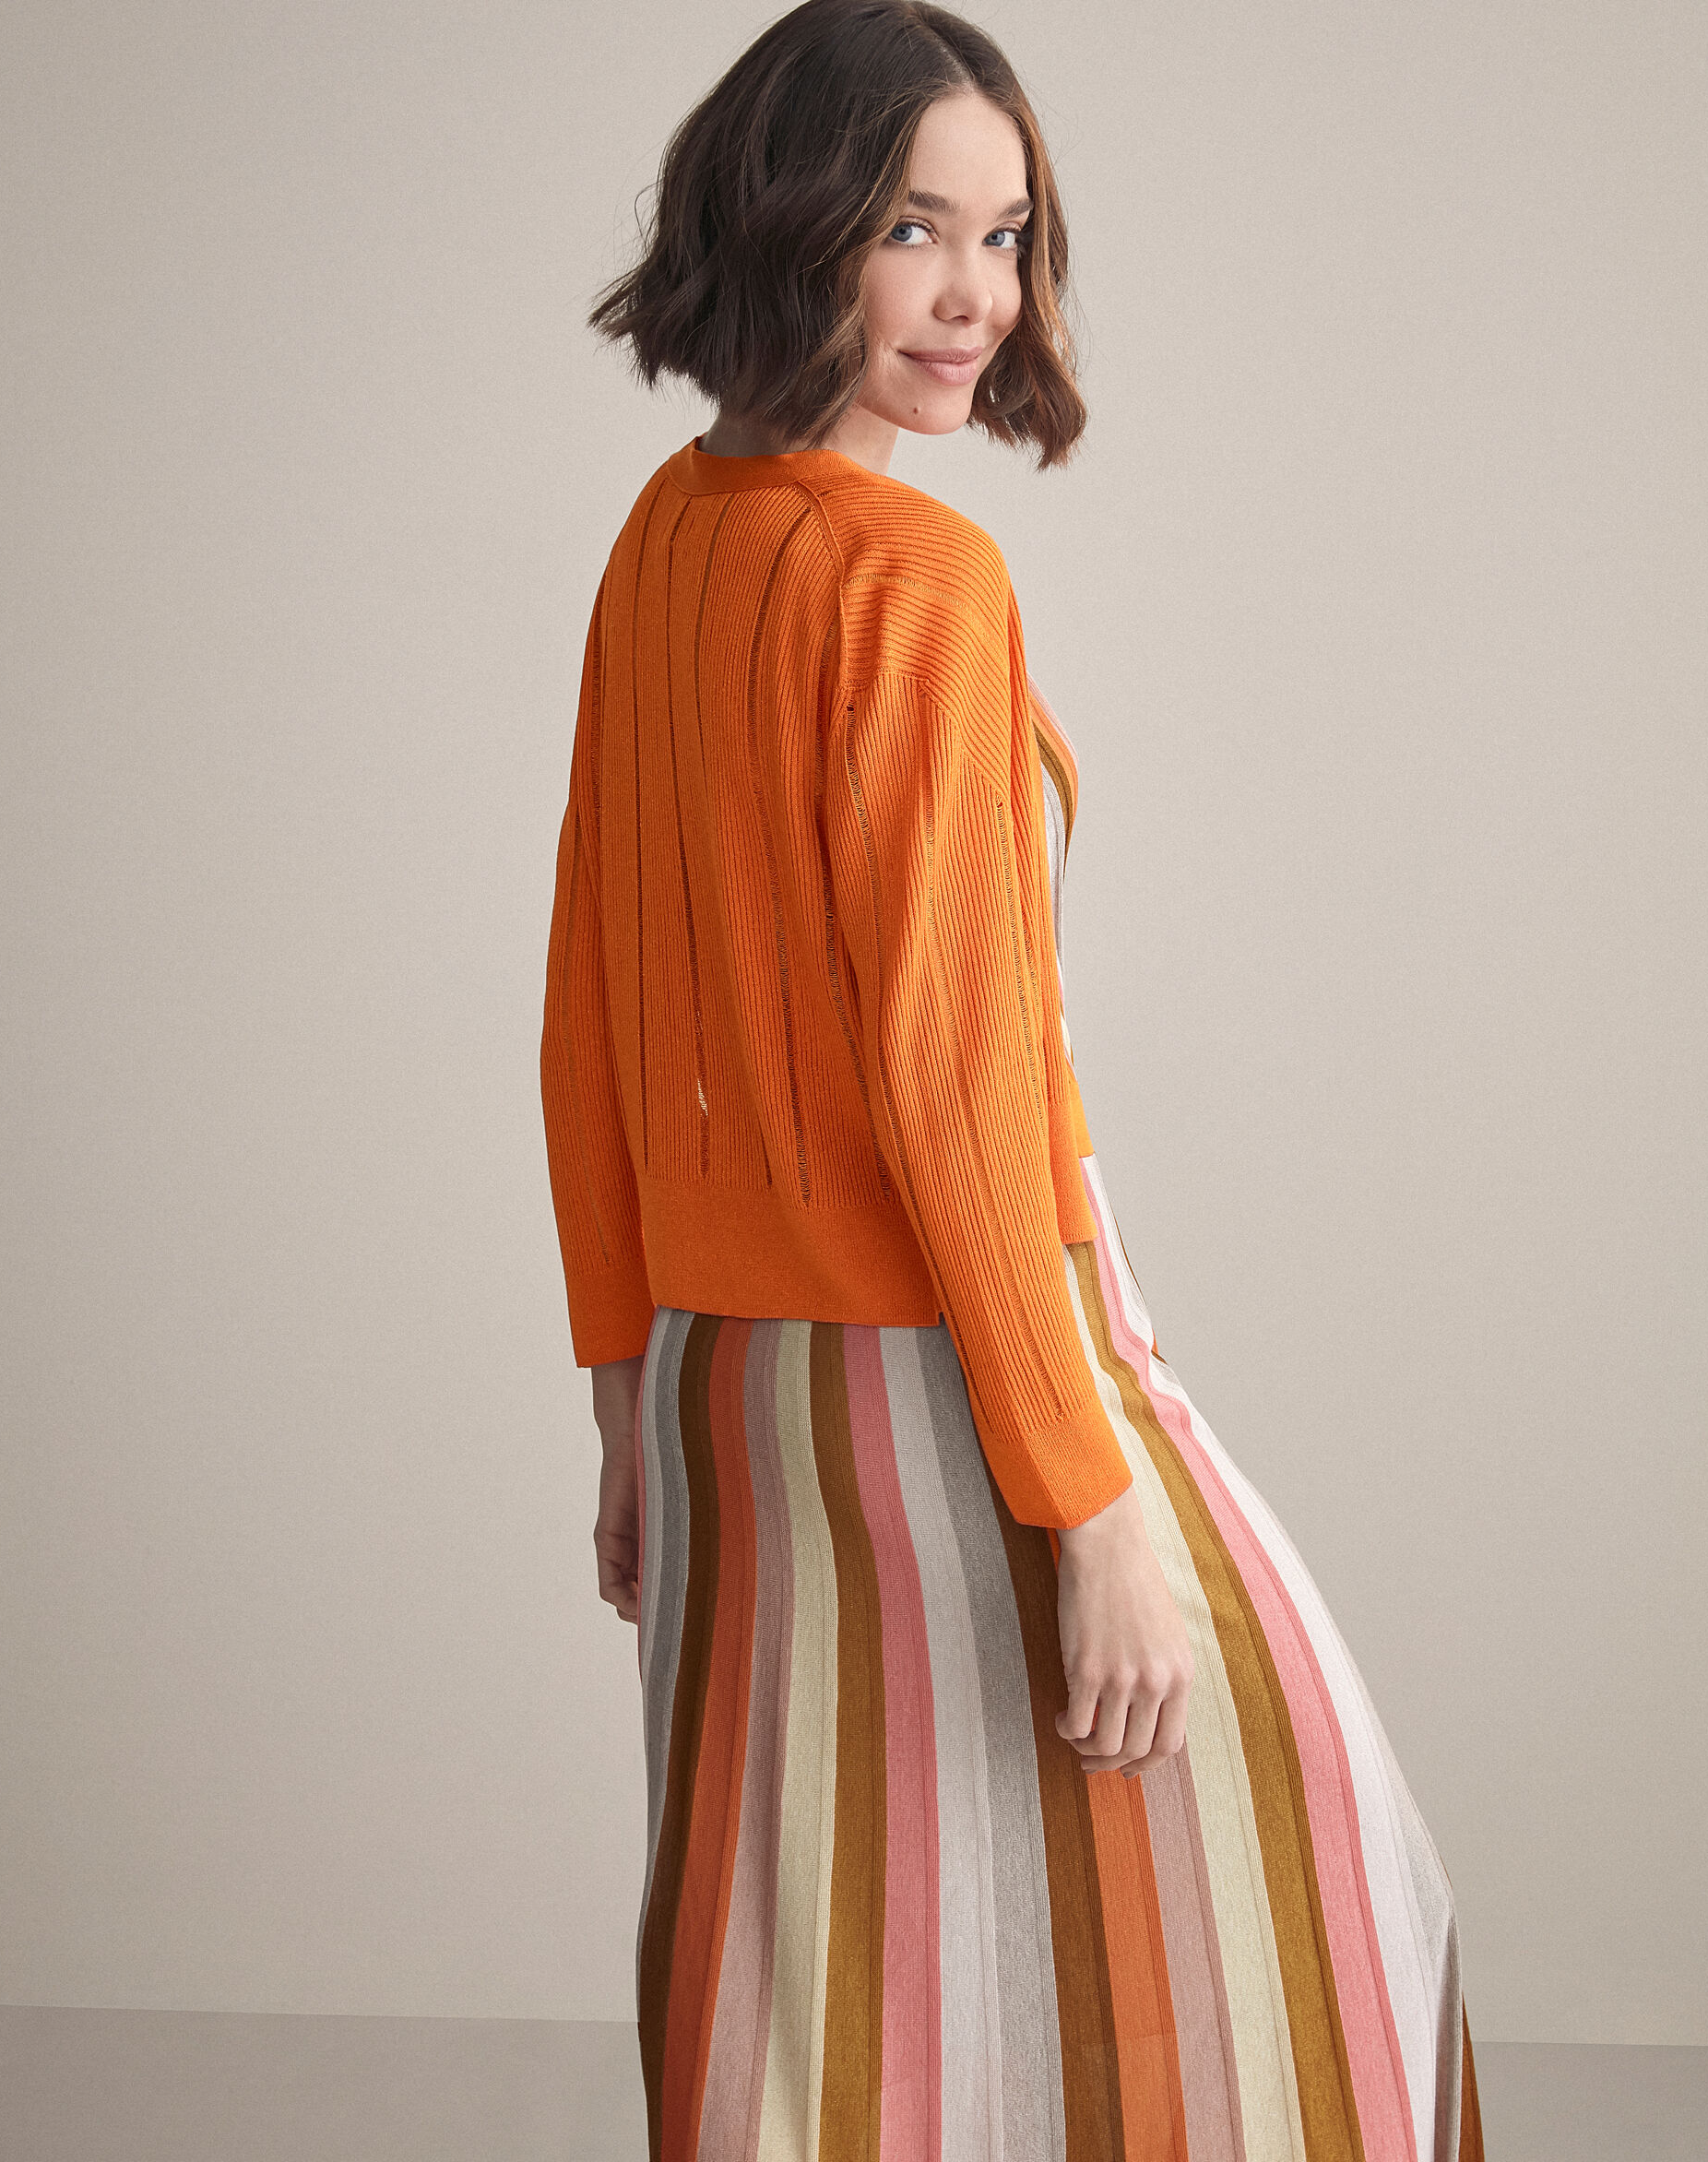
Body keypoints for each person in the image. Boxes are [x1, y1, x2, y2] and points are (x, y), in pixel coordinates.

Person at [540, 5, 1484, 2156]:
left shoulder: (667, 535)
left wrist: (619, 1385)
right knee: (1304, 1866)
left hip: (717, 1384)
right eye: (909, 228)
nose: (973, 293)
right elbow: (952, 1078)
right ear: (788, 224)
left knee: (814, 1941)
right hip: (949, 1359)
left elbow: (586, 999)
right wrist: (1092, 1502)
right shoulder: (914, 577)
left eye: (1005, 232)